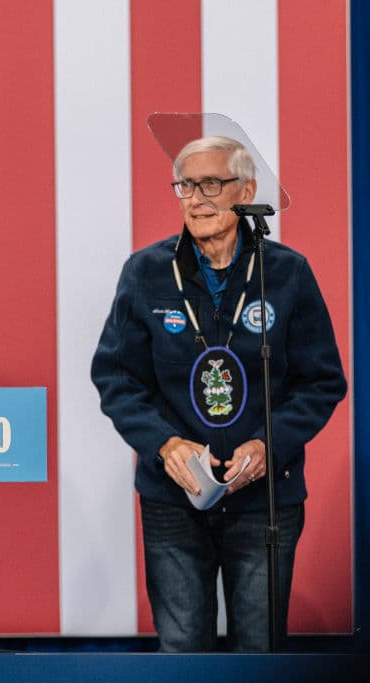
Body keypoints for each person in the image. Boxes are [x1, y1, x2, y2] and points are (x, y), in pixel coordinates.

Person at [91, 136, 346, 652]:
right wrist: (165, 445)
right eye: (185, 186)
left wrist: (270, 445)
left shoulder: (286, 273)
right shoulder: (146, 272)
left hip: (264, 500)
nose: (195, 199)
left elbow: (322, 381)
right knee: (183, 651)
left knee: (259, 652)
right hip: (174, 499)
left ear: (246, 191)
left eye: (210, 184)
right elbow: (115, 377)